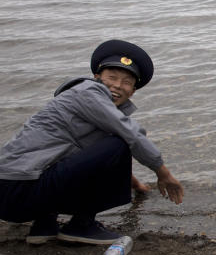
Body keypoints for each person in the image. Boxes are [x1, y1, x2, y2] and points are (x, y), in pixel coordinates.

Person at [0, 39, 184, 244]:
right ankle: (82, 225)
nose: (117, 86)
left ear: (133, 91)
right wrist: (162, 173)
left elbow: (93, 158)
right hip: (16, 191)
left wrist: (132, 183)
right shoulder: (88, 92)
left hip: (13, 194)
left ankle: (45, 226)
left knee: (72, 151)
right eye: (111, 77)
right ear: (96, 77)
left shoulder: (85, 103)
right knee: (121, 141)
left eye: (126, 82)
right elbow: (129, 135)